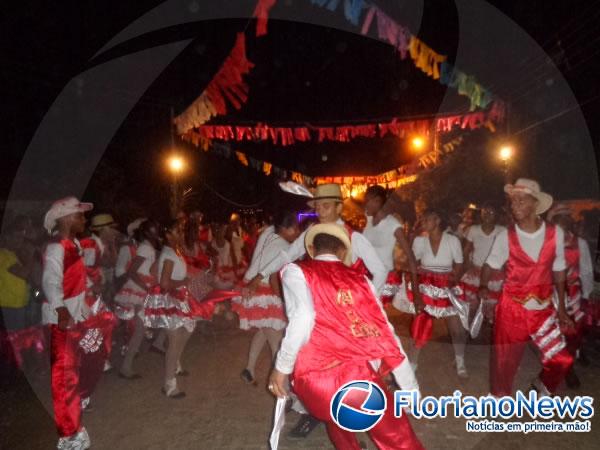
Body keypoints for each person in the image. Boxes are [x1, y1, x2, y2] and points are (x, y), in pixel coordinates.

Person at [245, 184, 388, 438]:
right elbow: (287, 255)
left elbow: (381, 270)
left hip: (344, 316)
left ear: (338, 207)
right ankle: (308, 412)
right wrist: (260, 274)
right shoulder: (311, 233)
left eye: (325, 206)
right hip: (317, 311)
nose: (320, 211)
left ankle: (347, 427)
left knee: (346, 368)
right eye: (317, 206)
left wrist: (365, 301)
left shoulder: (354, 237)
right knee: (308, 364)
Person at [268, 224, 423, 450]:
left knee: (338, 414)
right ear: (343, 253)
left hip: (315, 385)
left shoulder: (296, 271)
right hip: (355, 380)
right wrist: (410, 390)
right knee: (397, 437)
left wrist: (282, 368)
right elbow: (386, 335)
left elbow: (302, 316)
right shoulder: (362, 281)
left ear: (311, 249)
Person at [479, 178, 574, 396]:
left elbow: (559, 269)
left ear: (534, 204)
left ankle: (542, 385)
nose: (515, 206)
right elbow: (490, 263)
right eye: (513, 201)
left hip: (543, 309)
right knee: (504, 361)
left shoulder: (555, 234)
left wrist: (561, 310)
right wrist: (483, 285)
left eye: (521, 201)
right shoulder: (506, 235)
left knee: (562, 358)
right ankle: (499, 398)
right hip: (512, 308)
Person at [41, 196, 94, 450]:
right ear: (65, 219)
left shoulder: (74, 244)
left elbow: (76, 279)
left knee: (83, 362)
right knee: (64, 377)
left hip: (74, 314)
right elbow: (51, 281)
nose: (84, 219)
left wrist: (89, 296)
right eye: (79, 214)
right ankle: (69, 434)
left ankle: (78, 409)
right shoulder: (56, 247)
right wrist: (61, 310)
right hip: (60, 320)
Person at [142, 220, 216, 398]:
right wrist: (182, 281)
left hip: (178, 297)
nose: (181, 234)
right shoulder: (169, 253)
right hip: (171, 299)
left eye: (181, 230)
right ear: (168, 235)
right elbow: (165, 283)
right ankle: (169, 384)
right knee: (175, 341)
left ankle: (175, 366)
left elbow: (153, 271)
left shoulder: (171, 252)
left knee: (187, 331)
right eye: (177, 231)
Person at [393, 208, 469, 378]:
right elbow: (412, 261)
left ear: (437, 220)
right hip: (426, 285)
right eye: (423, 219)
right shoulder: (420, 240)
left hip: (447, 284)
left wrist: (453, 281)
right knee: (421, 324)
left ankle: (460, 361)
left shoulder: (452, 240)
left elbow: (459, 264)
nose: (424, 222)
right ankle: (413, 363)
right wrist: (412, 236)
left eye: (427, 219)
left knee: (456, 328)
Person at [233, 211, 300, 385]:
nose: (298, 232)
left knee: (264, 331)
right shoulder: (284, 246)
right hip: (264, 293)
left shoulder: (270, 236)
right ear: (288, 229)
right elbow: (273, 279)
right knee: (277, 342)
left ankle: (249, 369)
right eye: (296, 228)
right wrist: (284, 303)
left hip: (255, 289)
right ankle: (282, 387)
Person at [547, 202, 594, 388]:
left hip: (573, 294)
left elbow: (586, 270)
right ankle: (562, 368)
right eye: (558, 219)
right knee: (552, 334)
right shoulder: (545, 242)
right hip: (550, 294)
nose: (562, 222)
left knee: (573, 334)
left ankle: (568, 367)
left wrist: (586, 295)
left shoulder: (579, 243)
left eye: (566, 218)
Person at [114, 220, 161, 379]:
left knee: (140, 329)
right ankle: (125, 368)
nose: (157, 233)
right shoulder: (146, 247)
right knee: (139, 329)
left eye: (157, 230)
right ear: (147, 233)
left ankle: (126, 366)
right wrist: (146, 288)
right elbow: (132, 271)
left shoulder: (148, 247)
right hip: (139, 290)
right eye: (154, 230)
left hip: (143, 288)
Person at [362, 185, 421, 306]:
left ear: (378, 201)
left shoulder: (393, 225)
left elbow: (411, 258)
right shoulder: (368, 220)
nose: (365, 204)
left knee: (375, 317)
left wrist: (416, 293)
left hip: (384, 278)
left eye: (368, 201)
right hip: (366, 274)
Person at [461, 204, 506, 323]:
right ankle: (474, 333)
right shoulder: (473, 229)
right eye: (485, 212)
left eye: (491, 213)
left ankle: (490, 335)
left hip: (496, 274)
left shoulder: (502, 231)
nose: (487, 215)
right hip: (476, 273)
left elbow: (507, 253)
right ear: (480, 214)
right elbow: (466, 251)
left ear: (496, 215)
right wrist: (466, 267)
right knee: (472, 307)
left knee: (494, 309)